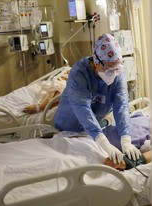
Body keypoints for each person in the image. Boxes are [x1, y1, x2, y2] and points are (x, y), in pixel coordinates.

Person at [54, 33, 141, 164]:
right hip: (69, 128)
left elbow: (121, 105)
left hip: (95, 128)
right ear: (96, 62)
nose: (113, 72)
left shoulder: (118, 74)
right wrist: (104, 143)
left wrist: (126, 139)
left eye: (116, 67)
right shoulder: (79, 73)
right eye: (108, 67)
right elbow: (82, 108)